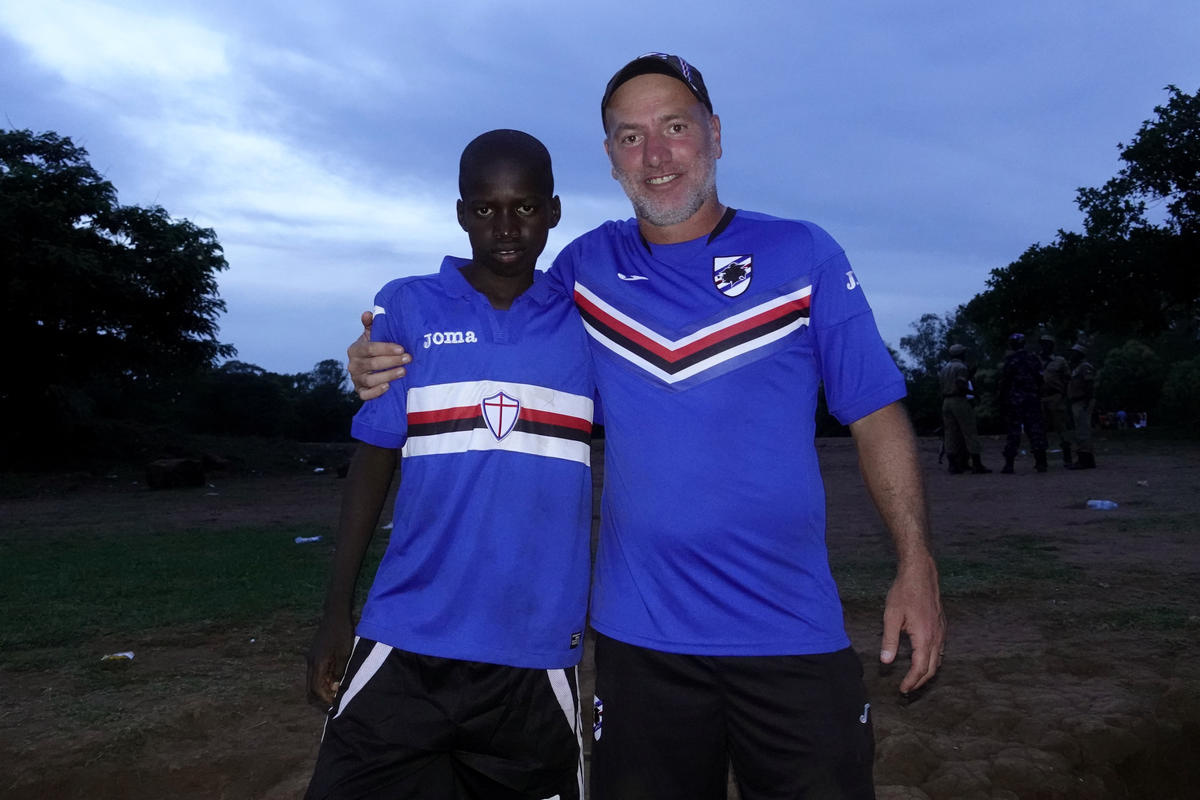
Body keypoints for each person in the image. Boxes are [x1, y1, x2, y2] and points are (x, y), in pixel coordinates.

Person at [349, 54, 945, 799]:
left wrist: (916, 564)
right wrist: (377, 352)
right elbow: (481, 305)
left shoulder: (804, 254)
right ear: (609, 158)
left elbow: (875, 413)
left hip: (793, 634)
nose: (656, 156)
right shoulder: (581, 271)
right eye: (630, 137)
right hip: (640, 646)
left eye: (675, 128)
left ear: (715, 134)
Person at [304, 130, 593, 800]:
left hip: (535, 647)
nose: (505, 226)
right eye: (485, 208)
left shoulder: (584, 323)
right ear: (461, 212)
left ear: (553, 210)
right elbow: (374, 456)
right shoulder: (409, 306)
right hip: (406, 637)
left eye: (523, 207)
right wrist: (334, 610)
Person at [997, 332, 1048, 473]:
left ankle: (1009, 464)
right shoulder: (1034, 359)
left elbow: (1005, 382)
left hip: (1015, 400)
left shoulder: (1010, 360)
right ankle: (1041, 462)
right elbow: (1041, 379)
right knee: (1036, 430)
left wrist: (1002, 399)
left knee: (1014, 432)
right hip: (1032, 399)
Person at [940, 343, 990, 474]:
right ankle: (977, 464)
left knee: (950, 433)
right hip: (959, 400)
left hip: (946, 401)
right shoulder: (961, 367)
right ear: (961, 354)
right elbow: (961, 384)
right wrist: (974, 393)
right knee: (969, 431)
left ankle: (952, 465)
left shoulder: (945, 368)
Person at [1038, 334, 1074, 467]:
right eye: (1043, 343)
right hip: (1039, 397)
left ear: (1052, 346)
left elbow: (1067, 379)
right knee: (1040, 429)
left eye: (1048, 343)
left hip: (1056, 397)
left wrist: (1064, 395)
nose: (1045, 346)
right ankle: (1041, 460)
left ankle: (1067, 457)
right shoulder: (1035, 360)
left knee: (1061, 427)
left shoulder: (1060, 361)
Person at [1066, 343, 1098, 469]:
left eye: (1074, 353)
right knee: (1080, 431)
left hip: (1082, 401)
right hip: (1076, 401)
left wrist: (1087, 401)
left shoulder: (1085, 367)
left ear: (1079, 354)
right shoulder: (1077, 368)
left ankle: (1085, 460)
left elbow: (1089, 384)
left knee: (1082, 431)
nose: (1071, 355)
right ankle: (1087, 459)